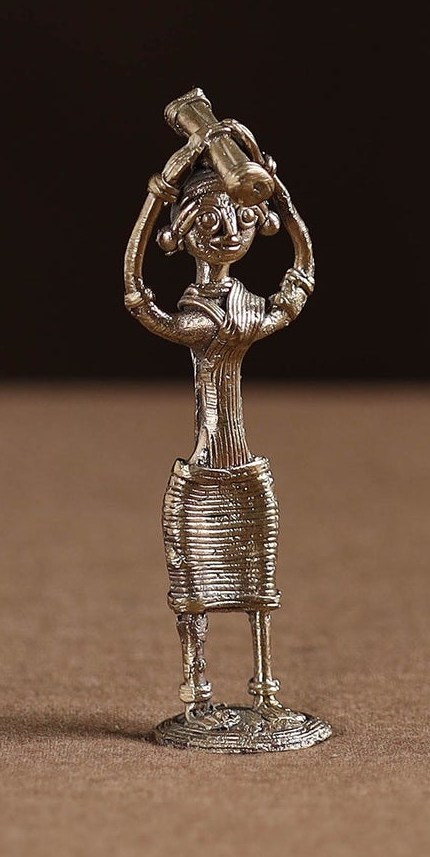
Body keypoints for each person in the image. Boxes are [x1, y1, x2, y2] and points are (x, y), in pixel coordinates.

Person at [123, 117, 316, 737]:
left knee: (261, 586)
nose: (228, 228)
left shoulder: (246, 308)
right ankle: (199, 695)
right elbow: (137, 294)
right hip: (203, 473)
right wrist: (160, 191)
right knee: (194, 590)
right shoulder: (198, 314)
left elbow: (299, 284)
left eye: (239, 214)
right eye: (210, 218)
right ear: (184, 234)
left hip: (243, 469)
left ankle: (264, 694)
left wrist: (283, 203)